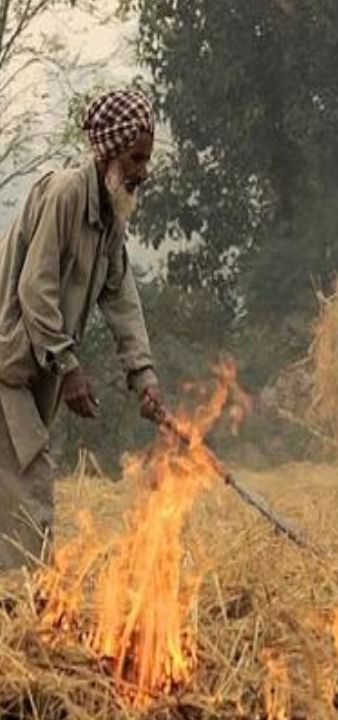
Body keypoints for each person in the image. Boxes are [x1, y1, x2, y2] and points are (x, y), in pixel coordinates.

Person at [0, 88, 167, 571]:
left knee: (13, 487)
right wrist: (69, 365)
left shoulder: (112, 212)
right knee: (30, 484)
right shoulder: (66, 193)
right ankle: (27, 610)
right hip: (8, 365)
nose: (143, 171)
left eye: (146, 159)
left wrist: (145, 377)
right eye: (137, 158)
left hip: (31, 371)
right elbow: (36, 290)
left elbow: (121, 298)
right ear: (109, 150)